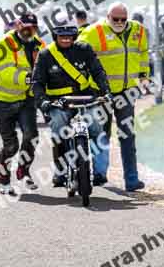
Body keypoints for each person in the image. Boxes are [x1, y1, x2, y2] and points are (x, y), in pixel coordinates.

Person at [78, 2, 149, 191]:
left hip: (126, 92)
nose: (119, 22)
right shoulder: (93, 32)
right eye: (115, 19)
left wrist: (143, 75)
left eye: (123, 19)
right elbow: (78, 57)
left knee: (127, 134)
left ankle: (131, 180)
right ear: (107, 16)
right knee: (101, 134)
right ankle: (100, 173)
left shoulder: (138, 30)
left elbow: (142, 53)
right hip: (101, 92)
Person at [31, 25, 112, 186]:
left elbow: (98, 71)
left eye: (69, 37)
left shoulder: (84, 49)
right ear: (55, 38)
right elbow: (37, 83)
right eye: (62, 37)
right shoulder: (46, 54)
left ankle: (100, 173)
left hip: (85, 98)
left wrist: (106, 91)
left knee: (97, 128)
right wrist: (43, 102)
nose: (66, 39)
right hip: (59, 102)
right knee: (59, 130)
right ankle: (60, 172)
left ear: (74, 37)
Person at [0, 12, 46, 194]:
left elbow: (49, 64)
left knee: (32, 135)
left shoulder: (40, 45)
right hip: (1, 100)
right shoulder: (4, 44)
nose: (29, 31)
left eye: (33, 28)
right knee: (10, 145)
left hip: (26, 99)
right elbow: (5, 71)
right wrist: (27, 78)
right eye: (26, 27)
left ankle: (24, 169)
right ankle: (4, 180)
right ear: (18, 25)